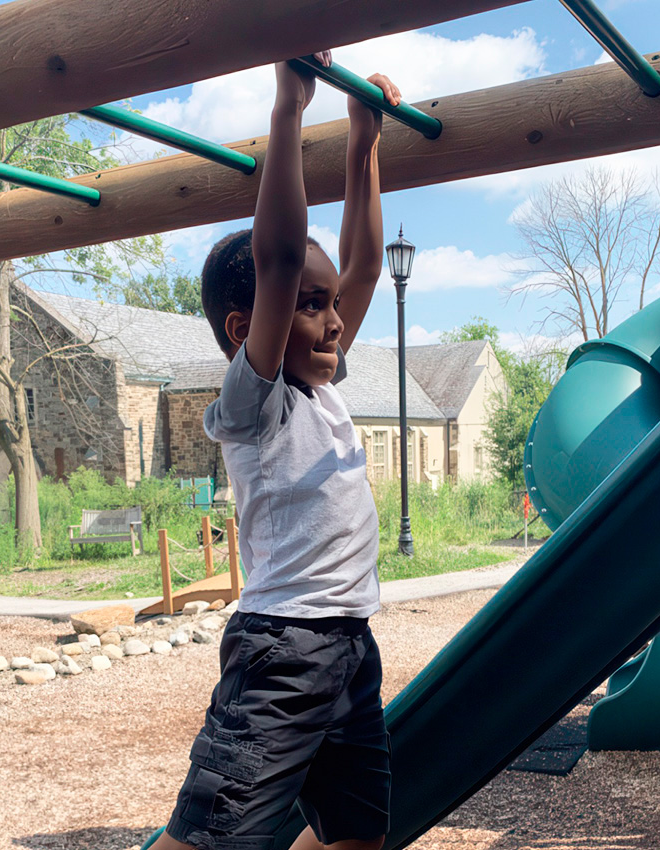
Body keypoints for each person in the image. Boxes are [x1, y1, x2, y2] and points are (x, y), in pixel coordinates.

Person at [153, 53, 402, 850]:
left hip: (348, 648)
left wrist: (364, 140)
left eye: (332, 311)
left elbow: (361, 263)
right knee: (218, 839)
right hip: (282, 652)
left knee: (358, 833)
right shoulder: (251, 401)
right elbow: (281, 258)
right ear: (247, 327)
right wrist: (291, 109)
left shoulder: (319, 384)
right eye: (310, 309)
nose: (334, 324)